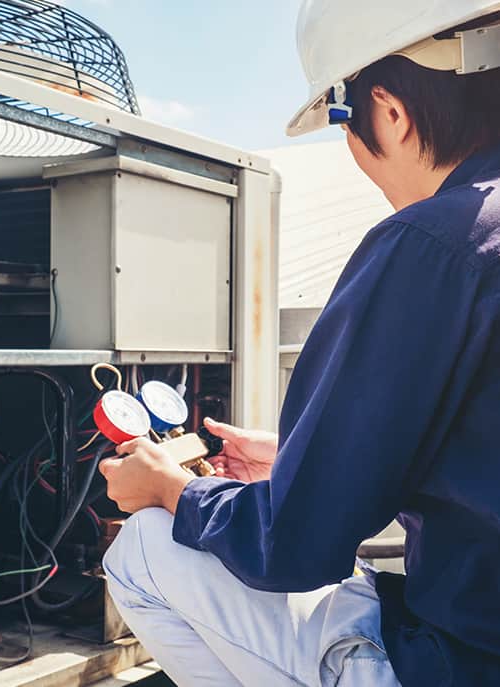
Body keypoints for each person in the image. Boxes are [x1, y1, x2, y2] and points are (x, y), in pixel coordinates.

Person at [100, 2, 500, 685]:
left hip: (456, 664)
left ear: (389, 111)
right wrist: (299, 459)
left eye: (342, 122)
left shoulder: (433, 242)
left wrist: (172, 488)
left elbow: (294, 543)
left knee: (141, 552)